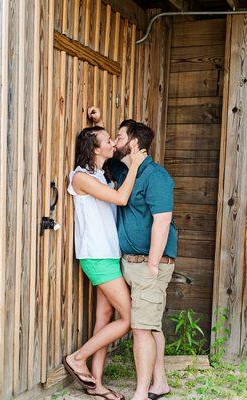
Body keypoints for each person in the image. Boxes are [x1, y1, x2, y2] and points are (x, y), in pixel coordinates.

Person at [89, 108, 177, 400]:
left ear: (134, 144)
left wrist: (152, 263)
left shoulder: (157, 176)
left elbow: (162, 222)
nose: (115, 141)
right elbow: (103, 151)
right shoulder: (124, 170)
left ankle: (141, 392)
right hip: (130, 263)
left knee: (140, 328)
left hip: (149, 264)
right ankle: (159, 382)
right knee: (150, 324)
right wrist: (96, 123)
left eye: (120, 136)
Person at [64, 123, 146, 400]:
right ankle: (78, 358)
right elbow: (121, 199)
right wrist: (134, 166)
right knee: (130, 317)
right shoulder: (81, 178)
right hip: (96, 256)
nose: (113, 143)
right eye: (108, 140)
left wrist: (94, 114)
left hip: (108, 255)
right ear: (95, 148)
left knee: (105, 317)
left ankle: (96, 384)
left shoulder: (100, 173)